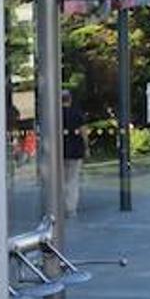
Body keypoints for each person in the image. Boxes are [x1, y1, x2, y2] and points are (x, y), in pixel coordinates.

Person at [61, 90, 87, 218]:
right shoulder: (77, 113)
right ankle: (71, 208)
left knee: (61, 179)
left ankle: (58, 206)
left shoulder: (56, 114)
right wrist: (86, 147)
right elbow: (83, 131)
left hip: (60, 150)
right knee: (73, 180)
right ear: (70, 99)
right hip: (76, 149)